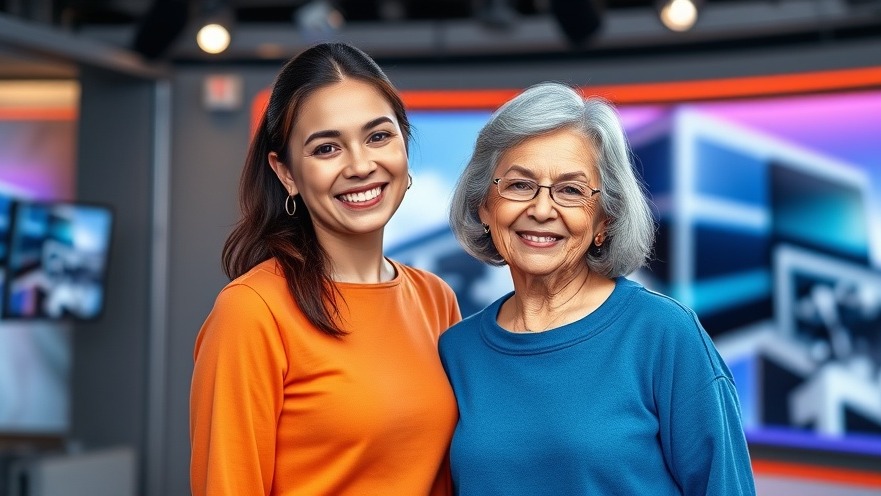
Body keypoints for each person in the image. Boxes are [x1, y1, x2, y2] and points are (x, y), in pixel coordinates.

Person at [441, 82, 756, 495]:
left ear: (604, 220)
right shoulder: (458, 350)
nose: (540, 209)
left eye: (570, 190)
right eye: (519, 185)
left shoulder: (663, 334)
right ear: (485, 205)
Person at [190, 42, 461, 496]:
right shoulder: (252, 312)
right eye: (327, 148)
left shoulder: (436, 299)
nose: (360, 165)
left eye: (379, 136)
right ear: (287, 172)